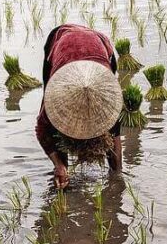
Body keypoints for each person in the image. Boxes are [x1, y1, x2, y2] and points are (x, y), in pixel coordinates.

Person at [35, 24, 123, 189]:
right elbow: (42, 130)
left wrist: (117, 178)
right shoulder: (56, 96)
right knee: (55, 127)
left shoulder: (110, 98)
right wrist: (58, 164)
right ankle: (63, 172)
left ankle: (115, 173)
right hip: (61, 40)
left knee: (111, 125)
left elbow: (115, 133)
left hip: (99, 42)